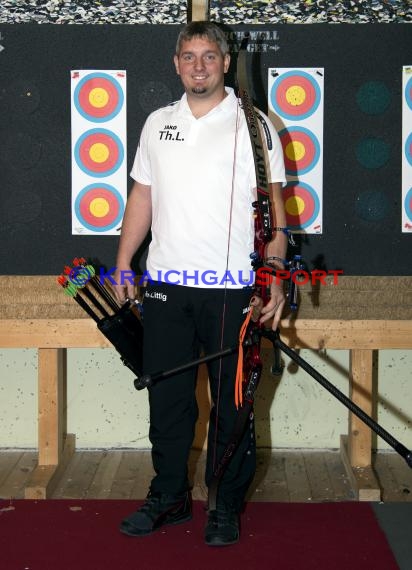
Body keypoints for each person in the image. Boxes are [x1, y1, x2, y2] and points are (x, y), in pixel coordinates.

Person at [113, 21, 287, 546]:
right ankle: (168, 497)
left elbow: (274, 215)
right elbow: (142, 197)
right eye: (189, 57)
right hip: (167, 287)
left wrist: (274, 276)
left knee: (233, 405)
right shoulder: (156, 124)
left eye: (209, 56)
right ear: (176, 63)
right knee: (167, 400)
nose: (198, 66)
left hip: (232, 290)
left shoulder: (256, 126)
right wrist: (124, 262)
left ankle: (224, 505)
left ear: (226, 62)